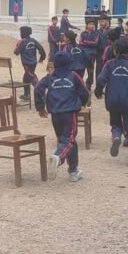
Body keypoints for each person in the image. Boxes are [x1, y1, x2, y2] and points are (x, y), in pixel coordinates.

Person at [34, 52, 89, 182]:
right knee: (68, 141)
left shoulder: (50, 77)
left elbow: (37, 89)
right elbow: (85, 92)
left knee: (67, 140)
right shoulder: (74, 75)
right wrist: (81, 103)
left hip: (55, 114)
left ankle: (73, 171)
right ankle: (57, 158)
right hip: (70, 113)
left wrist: (40, 108)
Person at [95, 40, 128, 167]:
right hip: (127, 100)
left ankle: (116, 137)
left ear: (115, 51)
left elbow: (100, 80)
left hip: (112, 100)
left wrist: (98, 92)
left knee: (115, 124)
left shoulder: (109, 64)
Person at [13, 25, 46, 101]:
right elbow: (41, 48)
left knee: (32, 78)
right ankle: (26, 95)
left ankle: (42, 93)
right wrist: (42, 57)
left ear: (23, 33)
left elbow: (16, 52)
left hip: (27, 63)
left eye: (20, 32)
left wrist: (18, 45)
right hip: (33, 62)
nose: (20, 34)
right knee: (26, 78)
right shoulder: (33, 40)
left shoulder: (22, 41)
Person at [79, 20, 101, 88]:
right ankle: (80, 84)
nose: (92, 25)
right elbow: (80, 42)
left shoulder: (96, 34)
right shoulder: (83, 33)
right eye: (90, 24)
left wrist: (85, 41)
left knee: (90, 70)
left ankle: (88, 85)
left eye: (93, 24)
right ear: (87, 25)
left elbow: (95, 43)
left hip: (92, 54)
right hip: (83, 54)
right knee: (81, 69)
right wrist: (89, 42)